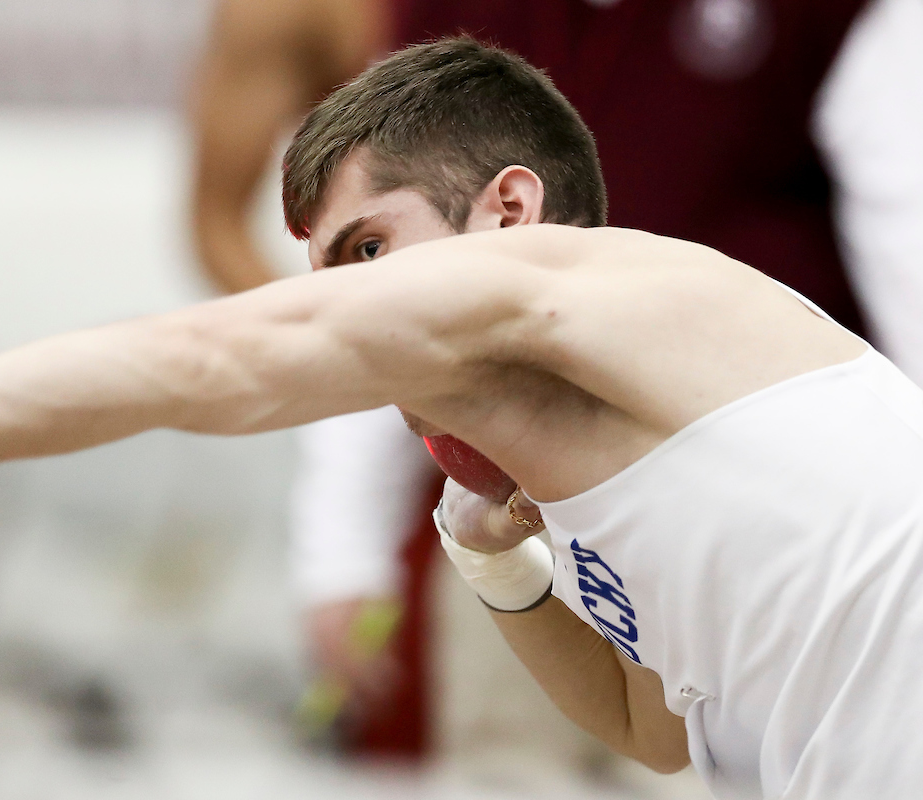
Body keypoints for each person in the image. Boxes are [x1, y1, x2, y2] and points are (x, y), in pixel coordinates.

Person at [0, 40, 923, 797]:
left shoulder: (581, 276)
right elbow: (656, 727)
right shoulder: (610, 458)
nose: (349, 305)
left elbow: (212, 356)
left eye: (368, 251)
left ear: (512, 211)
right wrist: (496, 553)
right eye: (325, 273)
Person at [191, 0, 923, 755]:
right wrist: (345, 546)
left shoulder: (835, 21)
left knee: (724, 759)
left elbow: (906, 238)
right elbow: (377, 301)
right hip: (514, 496)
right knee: (528, 751)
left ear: (514, 207)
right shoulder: (416, 28)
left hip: (746, 494)